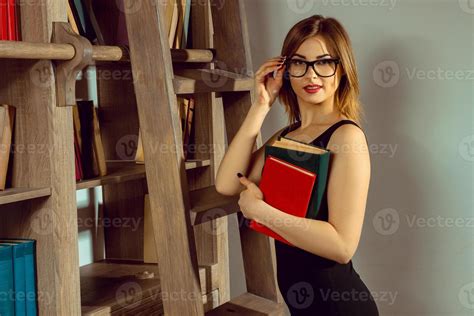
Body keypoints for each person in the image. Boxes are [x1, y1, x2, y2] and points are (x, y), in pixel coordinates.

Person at [215, 14, 379, 315]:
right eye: (300, 63)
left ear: (342, 70)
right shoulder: (286, 137)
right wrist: (261, 104)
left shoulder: (346, 137)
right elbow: (227, 183)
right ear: (286, 69)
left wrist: (260, 212)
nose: (312, 75)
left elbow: (342, 247)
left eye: (324, 62)